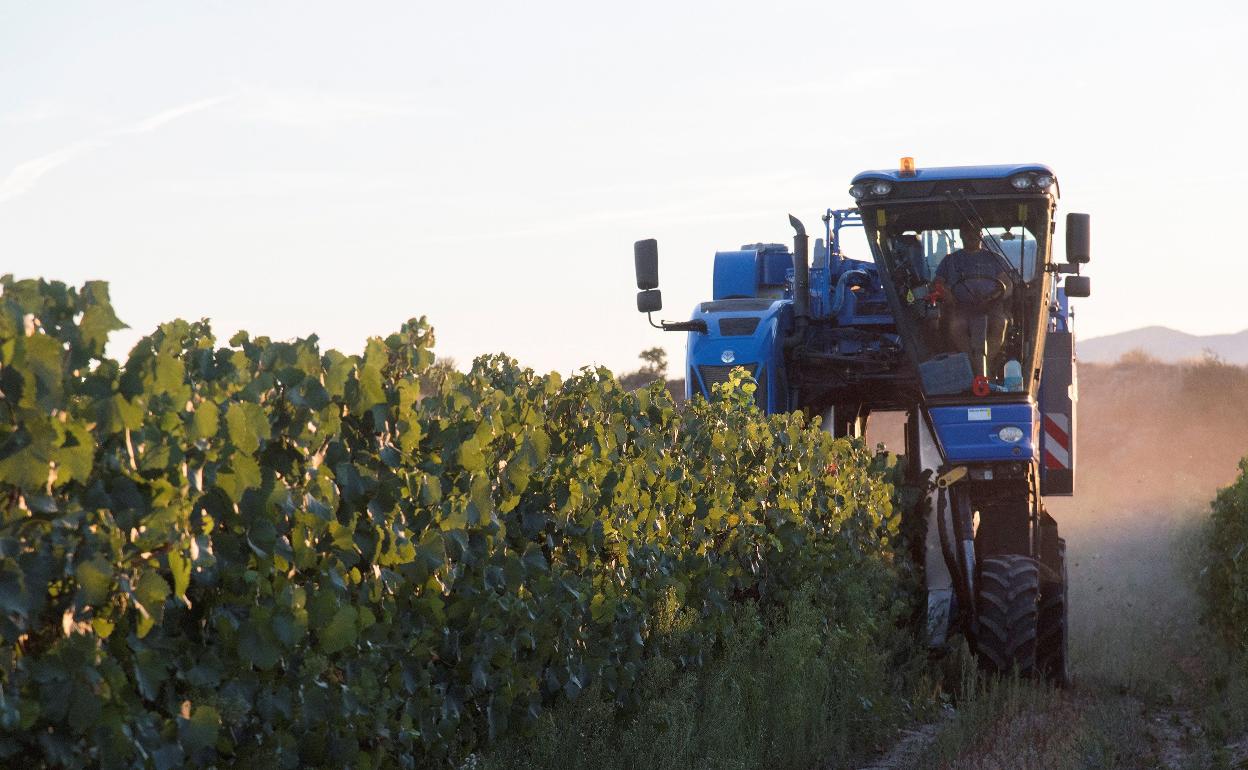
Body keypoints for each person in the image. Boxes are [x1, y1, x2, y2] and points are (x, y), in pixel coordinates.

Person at [931, 224, 1015, 374]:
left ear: (981, 234)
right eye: (967, 232)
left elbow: (1007, 283)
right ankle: (976, 367)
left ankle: (985, 364)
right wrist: (947, 295)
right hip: (961, 307)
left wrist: (996, 297)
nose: (971, 235)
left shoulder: (995, 258)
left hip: (991, 306)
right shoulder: (950, 260)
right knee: (956, 326)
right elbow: (938, 283)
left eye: (975, 231)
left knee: (1000, 324)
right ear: (961, 235)